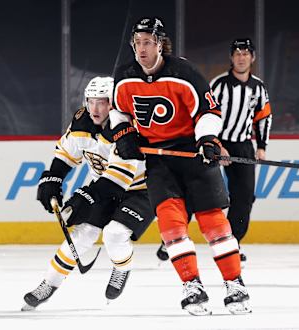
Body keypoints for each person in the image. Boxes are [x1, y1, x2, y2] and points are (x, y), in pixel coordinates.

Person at [109, 17, 251, 315]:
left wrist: (207, 140)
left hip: (192, 154)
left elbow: (208, 110)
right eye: (137, 43)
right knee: (171, 225)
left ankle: (234, 283)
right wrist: (124, 134)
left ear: (160, 44)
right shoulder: (124, 77)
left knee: (212, 221)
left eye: (148, 42)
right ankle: (191, 285)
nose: (141, 49)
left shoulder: (183, 72)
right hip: (159, 161)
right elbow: (119, 113)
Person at [22, 76, 154, 310]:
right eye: (91, 101)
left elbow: (118, 179)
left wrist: (85, 197)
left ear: (113, 103)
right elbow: (66, 154)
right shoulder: (82, 122)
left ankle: (121, 269)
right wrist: (53, 178)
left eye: (102, 102)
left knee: (114, 234)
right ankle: (48, 283)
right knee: (82, 234)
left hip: (139, 190)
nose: (94, 108)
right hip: (103, 187)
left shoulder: (125, 128)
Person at [210, 38, 272, 267]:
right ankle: (174, 237)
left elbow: (263, 117)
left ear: (252, 58)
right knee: (199, 191)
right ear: (231, 57)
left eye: (246, 53)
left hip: (243, 145)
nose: (241, 57)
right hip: (217, 143)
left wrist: (262, 147)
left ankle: (233, 242)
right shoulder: (218, 85)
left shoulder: (258, 87)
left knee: (244, 197)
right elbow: (207, 115)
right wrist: (217, 145)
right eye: (237, 53)